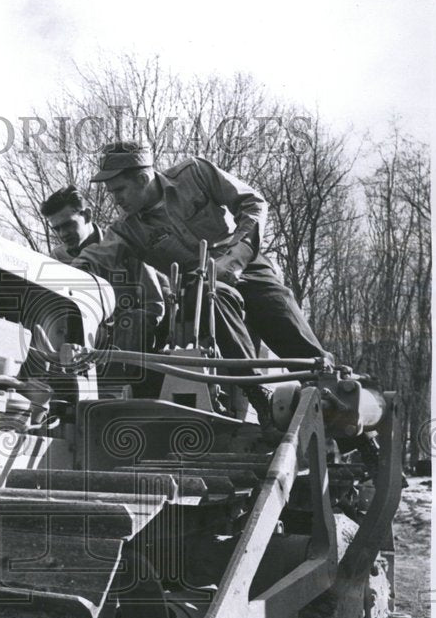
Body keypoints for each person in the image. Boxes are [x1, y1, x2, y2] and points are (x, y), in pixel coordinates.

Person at [69, 142, 330, 418]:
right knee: (207, 294)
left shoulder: (195, 173)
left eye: (119, 190)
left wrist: (236, 257)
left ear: (143, 178)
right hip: (200, 290)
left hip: (248, 265)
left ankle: (345, 413)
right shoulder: (127, 229)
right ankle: (259, 397)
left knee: (298, 338)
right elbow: (94, 258)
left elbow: (253, 203)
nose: (116, 200)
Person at [40, 184, 166, 354]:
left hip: (124, 347)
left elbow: (154, 305)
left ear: (87, 215)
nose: (63, 234)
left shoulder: (124, 245)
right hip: (74, 345)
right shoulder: (56, 261)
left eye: (68, 224)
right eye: (57, 229)